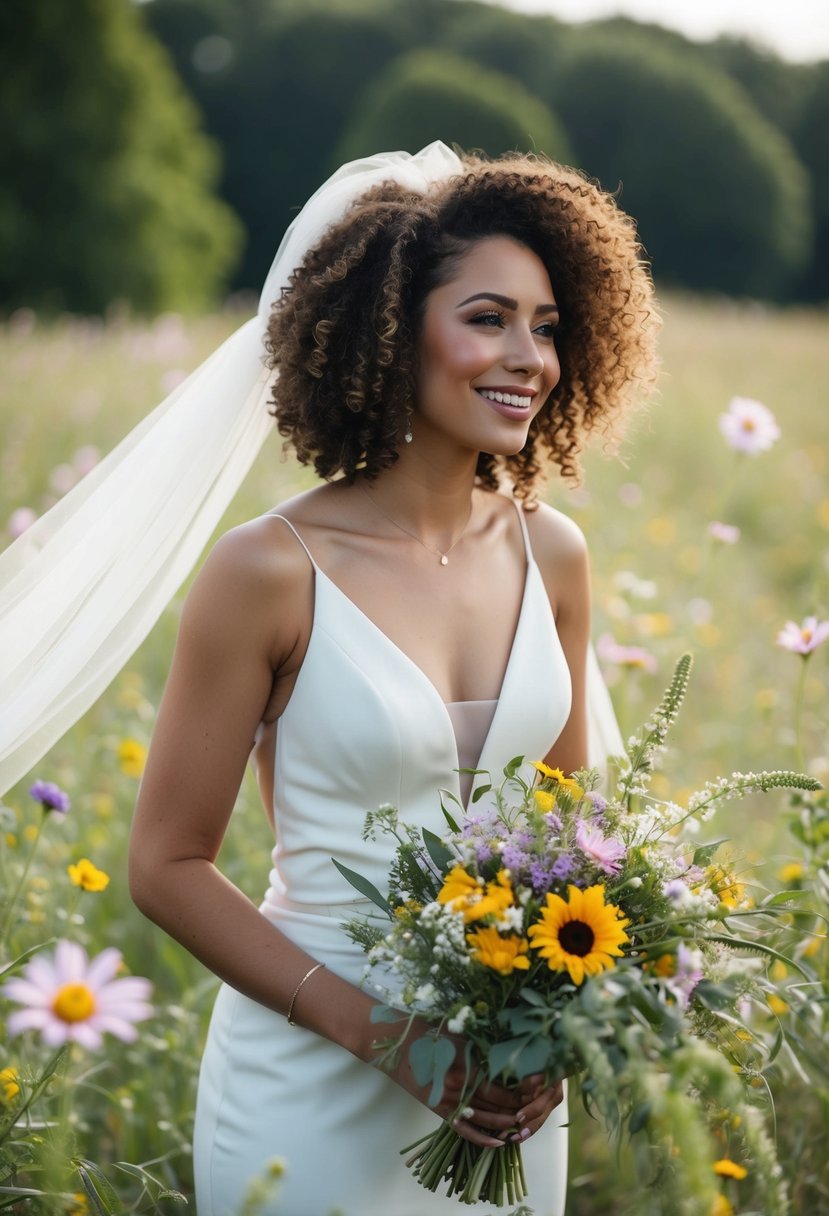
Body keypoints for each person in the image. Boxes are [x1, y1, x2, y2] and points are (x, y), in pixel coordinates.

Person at [0, 143, 657, 1216]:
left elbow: (573, 831)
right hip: (309, 1079)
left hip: (506, 1082)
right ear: (391, 328)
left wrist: (559, 1014)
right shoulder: (267, 571)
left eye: (545, 325)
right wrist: (387, 1039)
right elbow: (165, 864)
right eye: (488, 317)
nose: (529, 356)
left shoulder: (557, 556)